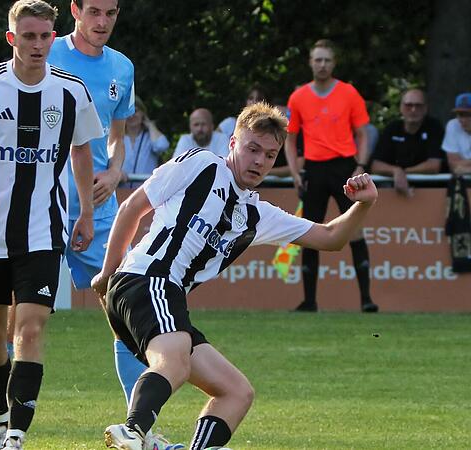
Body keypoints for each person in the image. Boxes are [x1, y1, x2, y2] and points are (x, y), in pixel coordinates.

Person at [90, 102, 379, 449]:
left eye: (270, 155)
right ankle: (133, 431)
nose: (259, 161)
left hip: (161, 296)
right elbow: (132, 207)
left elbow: (331, 238)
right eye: (252, 149)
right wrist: (109, 272)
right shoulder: (202, 164)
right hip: (145, 278)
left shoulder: (257, 214)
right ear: (232, 144)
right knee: (176, 360)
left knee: (236, 392)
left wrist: (363, 204)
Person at [0, 1, 101, 448]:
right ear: (12, 38)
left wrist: (84, 211)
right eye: (28, 36)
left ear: (54, 36)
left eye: (45, 36)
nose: (37, 45)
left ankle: (15, 434)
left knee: (28, 329)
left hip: (43, 231)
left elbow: (82, 151)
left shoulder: (71, 90)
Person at [46, 2, 183, 448]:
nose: (102, 22)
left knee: (124, 313)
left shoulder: (122, 67)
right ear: (75, 10)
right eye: (94, 12)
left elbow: (117, 138)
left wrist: (114, 171)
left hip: (101, 208)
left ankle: (139, 428)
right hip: (41, 205)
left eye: (111, 13)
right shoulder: (44, 51)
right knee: (17, 320)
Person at [284, 38, 378, 313]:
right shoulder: (298, 97)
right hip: (314, 169)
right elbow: (290, 139)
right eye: (317, 59)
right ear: (310, 62)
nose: (322, 65)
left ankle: (366, 300)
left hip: (345, 168)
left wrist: (360, 165)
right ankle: (309, 301)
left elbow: (363, 133)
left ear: (334, 63)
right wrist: (294, 172)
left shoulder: (349, 93)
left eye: (327, 60)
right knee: (310, 232)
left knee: (355, 231)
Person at [370, 88, 444, 196]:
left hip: (431, 191)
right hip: (395, 192)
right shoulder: (392, 128)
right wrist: (395, 171)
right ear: (401, 107)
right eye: (408, 105)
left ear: (426, 108)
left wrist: (403, 172)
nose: (413, 109)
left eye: (418, 105)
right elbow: (375, 166)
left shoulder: (434, 127)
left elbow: (434, 165)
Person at [121, 96, 169, 187]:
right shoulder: (117, 138)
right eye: (128, 112)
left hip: (145, 191)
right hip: (121, 189)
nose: (131, 116)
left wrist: (150, 125)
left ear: (143, 113)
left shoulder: (149, 137)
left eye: (135, 111)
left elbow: (161, 146)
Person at [442, 92, 471, 174]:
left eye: (469, 115)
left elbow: (460, 168)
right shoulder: (453, 125)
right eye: (460, 114)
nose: (463, 120)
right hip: (462, 181)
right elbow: (453, 165)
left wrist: (466, 168)